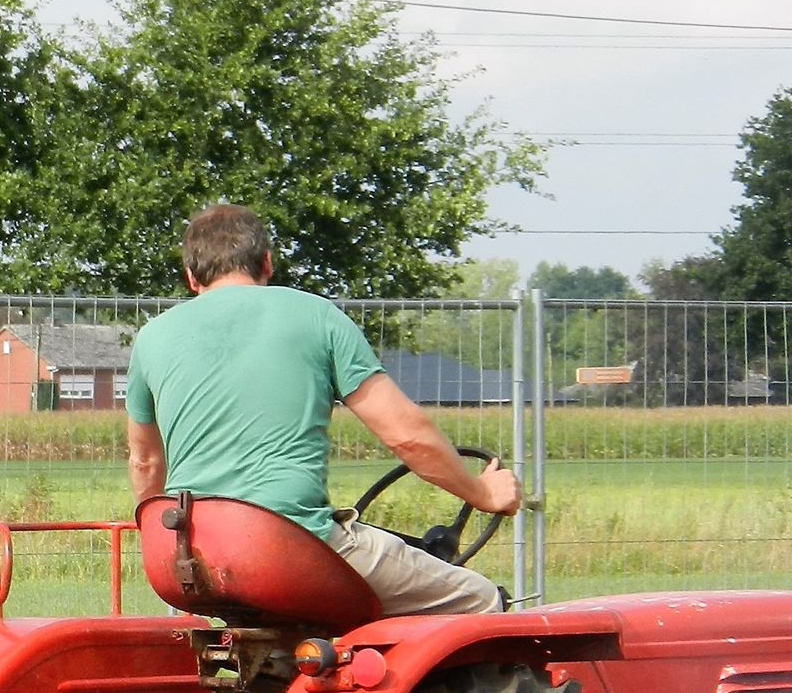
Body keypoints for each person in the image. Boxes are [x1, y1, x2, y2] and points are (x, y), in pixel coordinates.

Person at [124, 203, 520, 616]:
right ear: (266, 262)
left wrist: (164, 538)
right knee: (481, 600)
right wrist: (482, 492)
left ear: (191, 277)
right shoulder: (316, 316)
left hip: (185, 559)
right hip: (287, 550)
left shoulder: (152, 338)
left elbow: (145, 463)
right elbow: (407, 436)